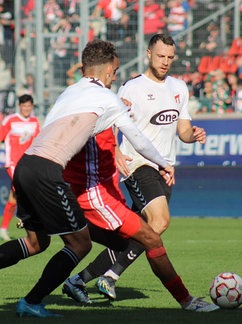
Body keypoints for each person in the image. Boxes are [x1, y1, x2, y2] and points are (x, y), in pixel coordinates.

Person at [0, 39, 176, 317]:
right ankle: (32, 301)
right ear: (107, 70)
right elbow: (139, 140)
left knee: (36, 243)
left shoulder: (69, 93)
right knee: (80, 244)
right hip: (47, 172)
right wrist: (163, 164)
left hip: (26, 167)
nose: (115, 76)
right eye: (115, 71)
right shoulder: (107, 97)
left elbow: (76, 132)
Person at [63, 34, 208, 301]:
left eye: (169, 58)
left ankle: (78, 280)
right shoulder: (132, 88)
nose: (165, 62)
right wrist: (116, 151)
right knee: (160, 220)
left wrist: (193, 134)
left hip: (165, 168)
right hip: (138, 164)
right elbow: (110, 122)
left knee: (139, 232)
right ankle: (111, 276)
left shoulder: (179, 88)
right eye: (160, 56)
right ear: (149, 54)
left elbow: (182, 129)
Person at [0, 94, 40, 241]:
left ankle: (3, 230)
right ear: (19, 106)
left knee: (14, 197)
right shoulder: (10, 120)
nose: (26, 109)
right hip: (13, 163)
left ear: (32, 106)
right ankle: (25, 220)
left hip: (28, 164)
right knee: (25, 189)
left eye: (29, 106)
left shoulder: (35, 122)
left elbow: (38, 143)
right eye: (24, 106)